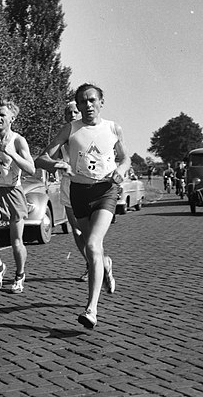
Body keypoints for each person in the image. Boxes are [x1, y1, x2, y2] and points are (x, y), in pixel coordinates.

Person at [36, 83, 131, 329]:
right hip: (78, 192)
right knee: (92, 249)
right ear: (77, 106)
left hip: (105, 191)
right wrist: (56, 165)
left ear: (101, 102)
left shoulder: (113, 128)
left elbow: (125, 157)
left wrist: (120, 170)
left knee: (91, 244)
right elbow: (42, 158)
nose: (87, 105)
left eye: (92, 100)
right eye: (82, 101)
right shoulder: (70, 129)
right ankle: (106, 265)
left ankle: (91, 309)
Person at [0, 99, 35, 294]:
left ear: (12, 118)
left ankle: (20, 275)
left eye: (2, 114)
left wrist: (13, 154)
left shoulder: (18, 141)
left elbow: (31, 169)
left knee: (16, 242)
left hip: (13, 193)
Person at [58, 101, 90, 282]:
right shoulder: (62, 136)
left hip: (86, 186)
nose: (72, 115)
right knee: (76, 231)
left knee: (89, 232)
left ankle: (97, 263)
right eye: (69, 113)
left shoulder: (89, 134)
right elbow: (48, 157)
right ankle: (90, 264)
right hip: (68, 186)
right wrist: (57, 164)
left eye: (75, 112)